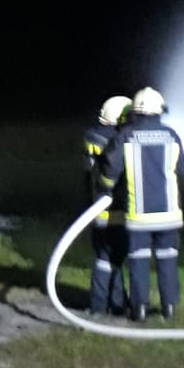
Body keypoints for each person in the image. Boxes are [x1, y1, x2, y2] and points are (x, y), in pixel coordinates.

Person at [96, 86, 184, 323]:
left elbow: (110, 169)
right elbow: (183, 169)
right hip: (169, 215)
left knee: (138, 261)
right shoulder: (172, 135)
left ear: (135, 112)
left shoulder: (125, 136)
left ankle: (139, 309)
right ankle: (169, 308)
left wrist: (105, 188)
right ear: (159, 111)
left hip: (139, 216)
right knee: (167, 260)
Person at [83, 95, 130, 316]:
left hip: (98, 208)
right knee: (111, 258)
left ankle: (110, 305)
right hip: (119, 209)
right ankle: (106, 306)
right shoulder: (121, 139)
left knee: (108, 258)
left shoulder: (93, 136)